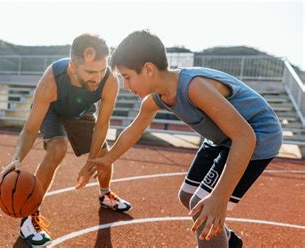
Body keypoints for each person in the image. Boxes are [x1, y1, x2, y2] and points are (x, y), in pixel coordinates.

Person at [79, 29, 282, 248]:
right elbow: (134, 129)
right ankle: (228, 242)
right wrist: (108, 160)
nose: (126, 86)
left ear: (148, 69)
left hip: (257, 135)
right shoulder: (156, 98)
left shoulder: (194, 87)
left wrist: (220, 197)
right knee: (187, 196)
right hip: (224, 137)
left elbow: (245, 137)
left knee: (202, 205)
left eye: (127, 77)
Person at [0, 33, 132, 247]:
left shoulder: (109, 81)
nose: (97, 77)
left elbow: (102, 125)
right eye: (89, 72)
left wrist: (91, 162)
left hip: (81, 113)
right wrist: (16, 158)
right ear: (72, 66)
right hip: (53, 111)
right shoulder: (52, 80)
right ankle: (30, 217)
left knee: (103, 154)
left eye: (101, 70)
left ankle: (105, 195)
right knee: (58, 148)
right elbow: (30, 129)